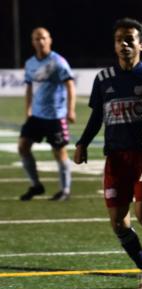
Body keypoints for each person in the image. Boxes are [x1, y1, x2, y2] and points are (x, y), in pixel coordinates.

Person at [74, 18, 142, 289]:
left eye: (129, 39)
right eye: (119, 39)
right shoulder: (104, 79)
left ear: (141, 44)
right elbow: (97, 116)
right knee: (119, 223)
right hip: (116, 159)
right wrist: (82, 143)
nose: (124, 44)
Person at [19, 27, 76, 201]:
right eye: (37, 38)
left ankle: (65, 190)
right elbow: (29, 87)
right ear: (33, 42)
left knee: (59, 153)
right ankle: (36, 186)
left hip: (55, 116)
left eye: (43, 38)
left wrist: (70, 109)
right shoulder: (30, 63)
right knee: (23, 147)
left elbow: (70, 85)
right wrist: (28, 109)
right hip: (36, 115)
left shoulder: (58, 62)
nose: (40, 41)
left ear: (49, 40)